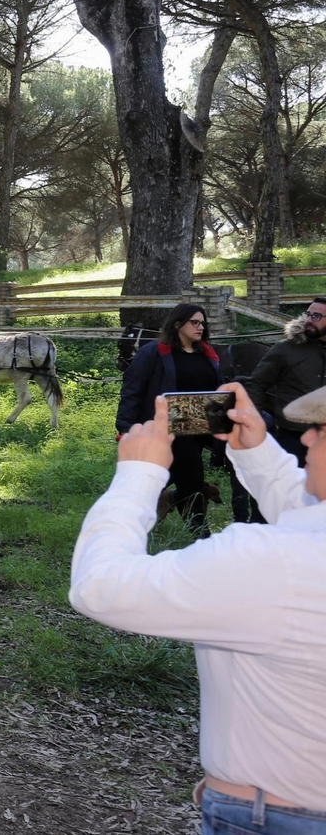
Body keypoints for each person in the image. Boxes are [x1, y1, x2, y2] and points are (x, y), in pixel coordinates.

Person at [71, 381, 326, 832]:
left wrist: (138, 474)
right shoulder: (301, 556)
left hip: (281, 817)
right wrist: (258, 453)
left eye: (321, 431)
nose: (306, 437)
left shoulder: (270, 562)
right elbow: (309, 522)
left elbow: (100, 585)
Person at [118, 304, 224, 537]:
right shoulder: (154, 352)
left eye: (202, 323)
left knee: (172, 479)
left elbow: (216, 390)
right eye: (195, 322)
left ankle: (135, 517)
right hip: (165, 427)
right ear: (178, 324)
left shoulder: (206, 354)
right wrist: (125, 427)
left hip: (199, 428)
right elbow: (132, 389)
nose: (200, 327)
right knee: (192, 479)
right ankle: (202, 536)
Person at [247, 297, 326, 467]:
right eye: (308, 314)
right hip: (294, 439)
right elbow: (256, 384)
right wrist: (254, 421)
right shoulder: (286, 349)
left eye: (317, 316)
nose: (309, 320)